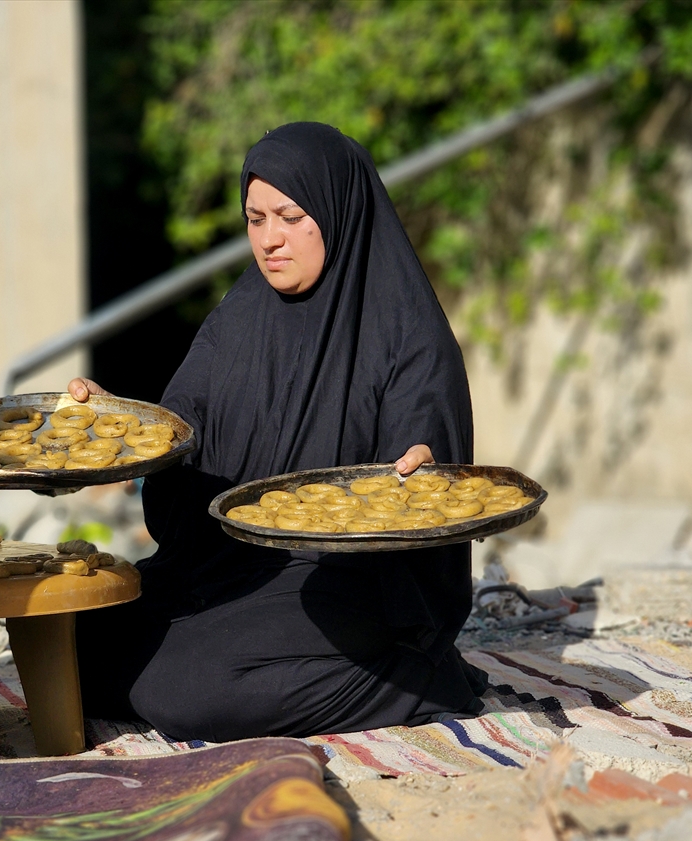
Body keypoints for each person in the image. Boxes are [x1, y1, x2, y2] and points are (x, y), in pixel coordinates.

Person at [69, 121, 488, 743]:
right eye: (255, 218)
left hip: (343, 579)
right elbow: (179, 435)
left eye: (291, 217)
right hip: (230, 564)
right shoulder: (237, 321)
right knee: (79, 642)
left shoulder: (407, 332)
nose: (270, 240)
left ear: (336, 211)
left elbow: (424, 448)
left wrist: (422, 461)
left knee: (181, 689)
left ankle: (419, 679)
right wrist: (121, 431)